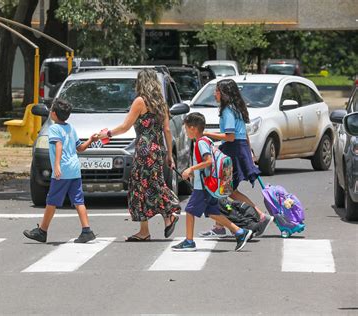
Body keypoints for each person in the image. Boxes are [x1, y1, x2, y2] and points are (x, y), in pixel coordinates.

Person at [98, 69, 180, 241]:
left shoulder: (140, 101)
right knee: (152, 185)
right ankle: (159, 221)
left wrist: (108, 134)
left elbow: (126, 126)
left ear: (141, 83)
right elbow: (166, 129)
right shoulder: (161, 103)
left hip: (144, 150)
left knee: (139, 187)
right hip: (157, 149)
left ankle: (169, 211)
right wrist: (169, 154)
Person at [200, 79, 274, 238]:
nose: (215, 94)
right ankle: (220, 225)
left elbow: (230, 136)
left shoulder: (228, 110)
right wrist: (249, 151)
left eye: (217, 91)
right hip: (238, 149)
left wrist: (206, 134)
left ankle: (259, 216)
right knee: (226, 191)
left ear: (225, 93)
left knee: (225, 190)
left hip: (233, 151)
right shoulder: (236, 108)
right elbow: (244, 134)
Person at [172, 112, 253, 252]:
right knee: (212, 212)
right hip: (208, 184)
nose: (186, 131)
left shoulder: (201, 142)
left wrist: (191, 168)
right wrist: (193, 172)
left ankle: (189, 241)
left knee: (190, 211)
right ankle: (239, 232)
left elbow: (208, 161)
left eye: (186, 128)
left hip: (203, 186)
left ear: (193, 128)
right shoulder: (207, 140)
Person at [23, 99, 99, 243]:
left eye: (51, 110)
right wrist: (91, 140)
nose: (50, 111)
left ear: (54, 114)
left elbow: (58, 145)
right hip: (75, 170)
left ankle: (42, 231)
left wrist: (57, 166)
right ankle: (87, 230)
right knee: (78, 201)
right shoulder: (70, 128)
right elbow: (80, 148)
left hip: (63, 170)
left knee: (51, 201)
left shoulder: (54, 128)